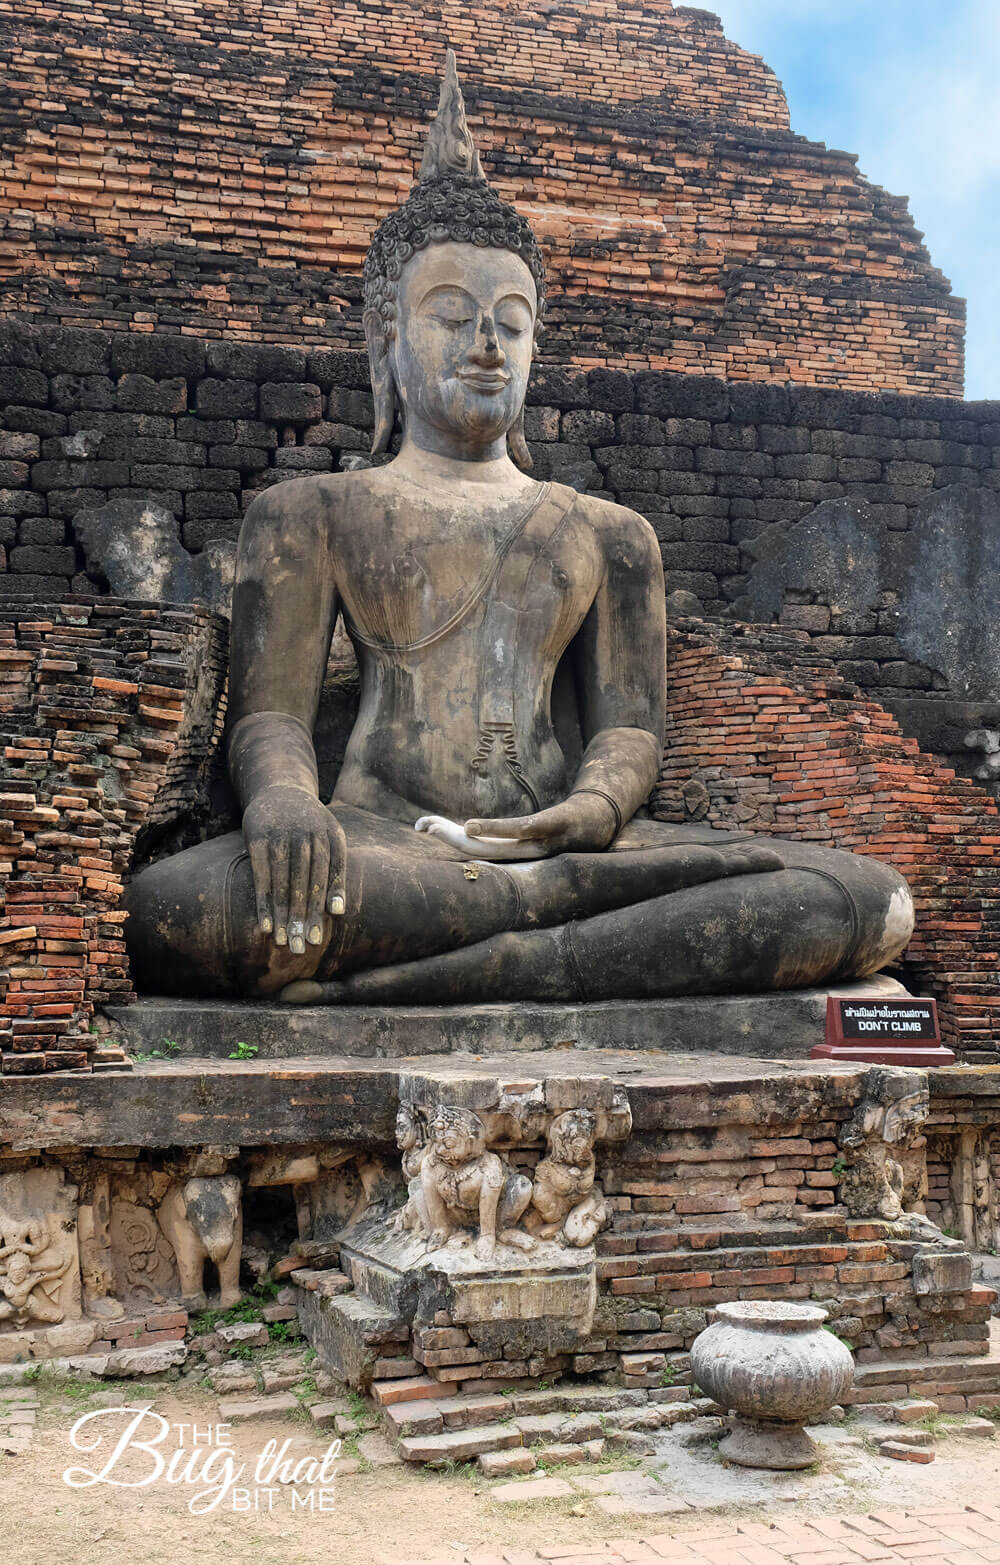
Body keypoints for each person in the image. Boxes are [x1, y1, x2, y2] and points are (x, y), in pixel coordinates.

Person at [124, 54, 914, 1006]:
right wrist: (287, 804)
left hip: (570, 850)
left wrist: (586, 815)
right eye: (451, 317)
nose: (486, 345)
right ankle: (558, 942)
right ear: (386, 344)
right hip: (385, 846)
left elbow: (629, 731)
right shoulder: (313, 514)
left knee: (866, 900)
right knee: (172, 912)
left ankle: (501, 959)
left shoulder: (611, 535)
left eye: (512, 321)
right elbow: (271, 717)